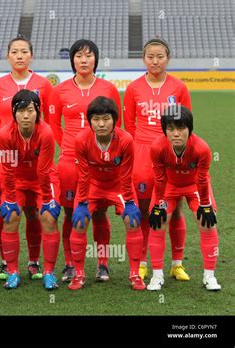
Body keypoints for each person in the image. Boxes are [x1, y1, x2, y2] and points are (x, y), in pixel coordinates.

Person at [49, 39, 121, 283]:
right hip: (69, 161)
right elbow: (52, 127)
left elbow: (116, 125)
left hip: (100, 161)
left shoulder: (108, 89)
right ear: (72, 60)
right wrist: (69, 147)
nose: (83, 60)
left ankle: (102, 263)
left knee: (99, 213)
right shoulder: (59, 91)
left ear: (95, 60)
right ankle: (70, 264)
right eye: (78, 56)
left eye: (88, 56)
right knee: (70, 214)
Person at [123, 38, 192, 281]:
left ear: (168, 58)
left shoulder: (179, 88)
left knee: (174, 208)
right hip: (141, 153)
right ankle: (142, 262)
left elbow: (185, 125)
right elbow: (128, 126)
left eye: (160, 56)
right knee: (144, 209)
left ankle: (176, 263)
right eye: (150, 56)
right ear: (144, 59)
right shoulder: (133, 88)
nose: (155, 61)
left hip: (170, 153)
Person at [0, 35, 53, 281]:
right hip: (7, 154)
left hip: (35, 155)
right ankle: (6, 261)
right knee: (7, 208)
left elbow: (45, 121)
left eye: (24, 51)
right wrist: (12, 145)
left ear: (31, 55)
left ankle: (34, 261)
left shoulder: (44, 84)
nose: (19, 56)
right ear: (7, 56)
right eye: (14, 52)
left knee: (33, 211)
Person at [69, 96, 145, 291]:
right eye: (96, 119)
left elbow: (127, 175)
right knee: (79, 221)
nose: (101, 124)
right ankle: (79, 274)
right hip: (92, 185)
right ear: (89, 121)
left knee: (133, 220)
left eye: (106, 119)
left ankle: (135, 274)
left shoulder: (126, 140)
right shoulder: (81, 140)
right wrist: (82, 203)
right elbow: (83, 175)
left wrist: (128, 202)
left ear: (114, 120)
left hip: (118, 185)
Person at [147, 106, 221, 291]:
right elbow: (159, 177)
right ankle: (157, 275)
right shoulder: (157, 147)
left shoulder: (202, 148)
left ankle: (209, 276)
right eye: (171, 129)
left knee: (207, 222)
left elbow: (202, 179)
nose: (176, 134)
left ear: (189, 128)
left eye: (181, 128)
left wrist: (205, 205)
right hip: (169, 186)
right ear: (164, 131)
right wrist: (158, 204)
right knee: (158, 221)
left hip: (195, 186)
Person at [0, 89, 61, 290]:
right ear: (14, 113)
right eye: (21, 111)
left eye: (31, 110)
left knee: (48, 218)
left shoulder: (46, 133)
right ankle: (13, 271)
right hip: (16, 179)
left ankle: (49, 273)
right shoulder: (5, 134)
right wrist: (8, 197)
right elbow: (6, 170)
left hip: (43, 179)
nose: (26, 116)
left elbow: (43, 171)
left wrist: (48, 200)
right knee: (11, 216)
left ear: (38, 112)